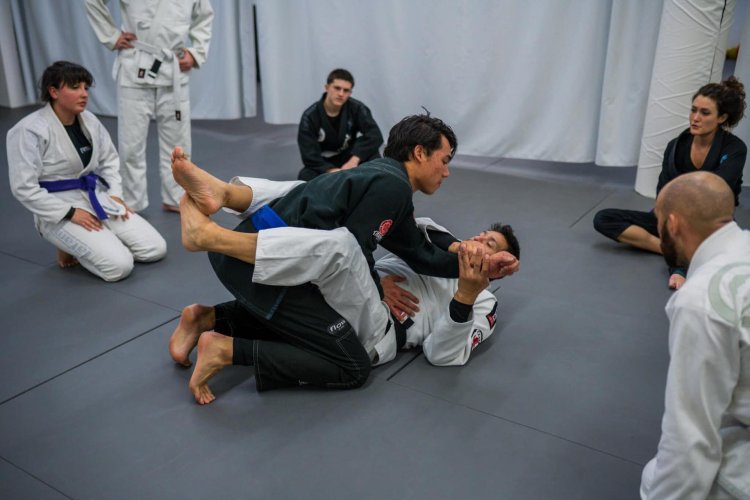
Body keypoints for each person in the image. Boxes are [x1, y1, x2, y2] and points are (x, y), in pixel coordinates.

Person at [168, 114, 519, 403]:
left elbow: (442, 349)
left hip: (378, 323)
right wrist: (382, 285)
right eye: (444, 161)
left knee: (337, 233)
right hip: (339, 287)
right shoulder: (397, 192)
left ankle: (219, 233)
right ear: (419, 153)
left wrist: (468, 292)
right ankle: (221, 208)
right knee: (329, 215)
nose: (447, 172)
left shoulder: (485, 301)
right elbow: (425, 245)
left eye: (490, 246)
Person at [640, 171, 750, 499]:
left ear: (673, 224)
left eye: (659, 223)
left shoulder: (700, 300)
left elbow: (689, 438)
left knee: (654, 478)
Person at [6, 61, 166, 282]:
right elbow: (23, 187)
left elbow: (110, 160)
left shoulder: (89, 120)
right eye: (75, 87)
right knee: (119, 267)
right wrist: (70, 213)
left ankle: (92, 242)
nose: (84, 94)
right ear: (53, 92)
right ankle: (70, 243)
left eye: (86, 87)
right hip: (58, 206)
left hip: (95, 196)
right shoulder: (29, 130)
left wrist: (115, 195)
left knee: (155, 249)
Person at [594, 77, 747, 290]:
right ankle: (672, 250)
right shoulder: (675, 146)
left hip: (709, 222)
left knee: (734, 252)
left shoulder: (735, 148)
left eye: (705, 113)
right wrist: (669, 219)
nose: (695, 118)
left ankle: (681, 261)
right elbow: (663, 191)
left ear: (722, 117)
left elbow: (716, 190)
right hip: (673, 219)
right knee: (604, 219)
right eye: (693, 110)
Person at [85, 0, 214, 212]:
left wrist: (197, 52)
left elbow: (204, 15)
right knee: (131, 144)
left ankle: (176, 197)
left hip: (173, 67)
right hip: (136, 64)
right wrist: (111, 35)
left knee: (178, 143)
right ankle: (131, 200)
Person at [297, 68, 383, 181]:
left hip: (348, 157)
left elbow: (375, 135)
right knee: (305, 176)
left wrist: (354, 160)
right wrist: (332, 171)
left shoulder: (357, 108)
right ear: (327, 87)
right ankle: (347, 181)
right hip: (324, 162)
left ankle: (364, 185)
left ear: (350, 93)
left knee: (374, 156)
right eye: (337, 88)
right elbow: (309, 154)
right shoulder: (310, 116)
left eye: (346, 90)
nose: (341, 94)